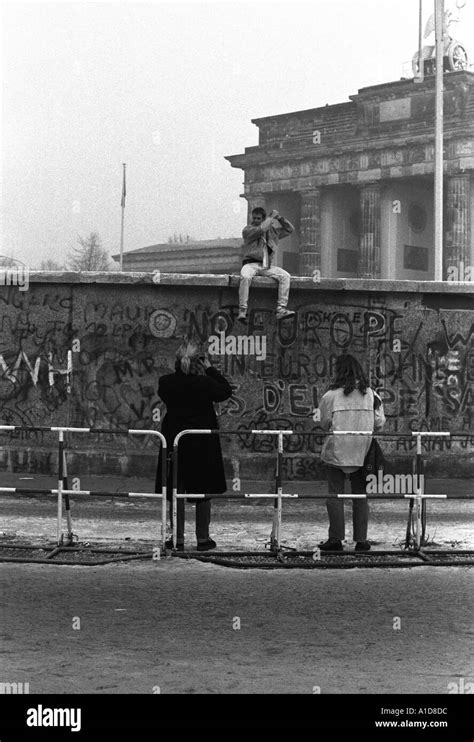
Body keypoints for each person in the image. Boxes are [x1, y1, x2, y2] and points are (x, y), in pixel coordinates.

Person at [155, 342, 232, 551]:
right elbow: (225, 391)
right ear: (198, 362)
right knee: (203, 491)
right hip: (202, 442)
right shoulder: (205, 383)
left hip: (175, 441)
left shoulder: (166, 383)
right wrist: (209, 368)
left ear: (176, 362)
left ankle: (177, 540)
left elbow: (166, 396)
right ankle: (203, 539)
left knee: (176, 489)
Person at [317, 353, 386, 552]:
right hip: (362, 451)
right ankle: (361, 541)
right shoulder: (372, 395)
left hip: (336, 451)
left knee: (334, 495)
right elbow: (379, 423)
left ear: (339, 372)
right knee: (360, 496)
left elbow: (323, 423)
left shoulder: (330, 396)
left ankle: (336, 539)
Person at [238, 206, 296, 323]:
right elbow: (262, 229)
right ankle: (242, 310)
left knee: (285, 276)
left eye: (258, 218)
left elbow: (290, 229)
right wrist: (270, 218)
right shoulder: (248, 230)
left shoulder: (272, 232)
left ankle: (281, 309)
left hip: (266, 265)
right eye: (254, 218)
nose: (255, 220)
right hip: (250, 264)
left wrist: (279, 218)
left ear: (263, 219)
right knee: (245, 277)